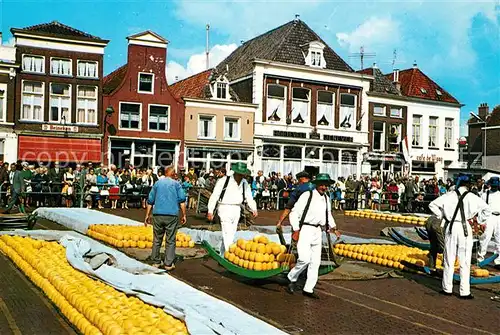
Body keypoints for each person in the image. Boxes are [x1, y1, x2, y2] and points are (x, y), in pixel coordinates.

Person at [429, 174, 490, 299]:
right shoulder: (473, 197)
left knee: (449, 259)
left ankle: (447, 288)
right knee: (465, 260)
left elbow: (432, 205)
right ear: (468, 185)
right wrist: (479, 219)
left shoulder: (449, 195)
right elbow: (487, 210)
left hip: (451, 227)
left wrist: (442, 215)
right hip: (465, 228)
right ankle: (464, 291)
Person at [286, 173, 340, 299]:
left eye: (326, 185)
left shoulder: (327, 198)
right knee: (304, 259)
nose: (324, 187)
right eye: (321, 184)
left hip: (317, 231)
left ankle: (308, 288)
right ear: (316, 185)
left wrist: (333, 227)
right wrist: (296, 229)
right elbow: (294, 213)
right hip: (305, 229)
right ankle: (292, 277)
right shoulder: (307, 195)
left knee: (315, 262)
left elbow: (328, 214)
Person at [207, 162, 257, 253]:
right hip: (224, 207)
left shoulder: (244, 183)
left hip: (237, 209)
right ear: (236, 173)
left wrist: (254, 208)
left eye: (243, 174)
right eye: (241, 174)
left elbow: (249, 197)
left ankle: (223, 253)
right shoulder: (223, 180)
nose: (242, 176)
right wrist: (210, 210)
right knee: (227, 232)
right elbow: (215, 195)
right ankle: (229, 254)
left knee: (231, 233)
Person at [144, 167, 187, 271]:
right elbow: (182, 201)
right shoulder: (177, 184)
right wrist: (184, 214)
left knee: (157, 239)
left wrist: (147, 215)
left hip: (158, 214)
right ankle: (168, 263)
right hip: (171, 215)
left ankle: (156, 261)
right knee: (170, 240)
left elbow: (150, 200)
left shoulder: (158, 183)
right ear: (173, 174)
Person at [479, 177, 500, 269]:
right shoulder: (484, 195)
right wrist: (481, 221)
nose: (495, 187)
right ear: (490, 185)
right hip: (489, 217)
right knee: (485, 238)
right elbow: (480, 209)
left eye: (496, 185)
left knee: (499, 239)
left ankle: (498, 260)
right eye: (493, 185)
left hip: (499, 217)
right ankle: (480, 258)